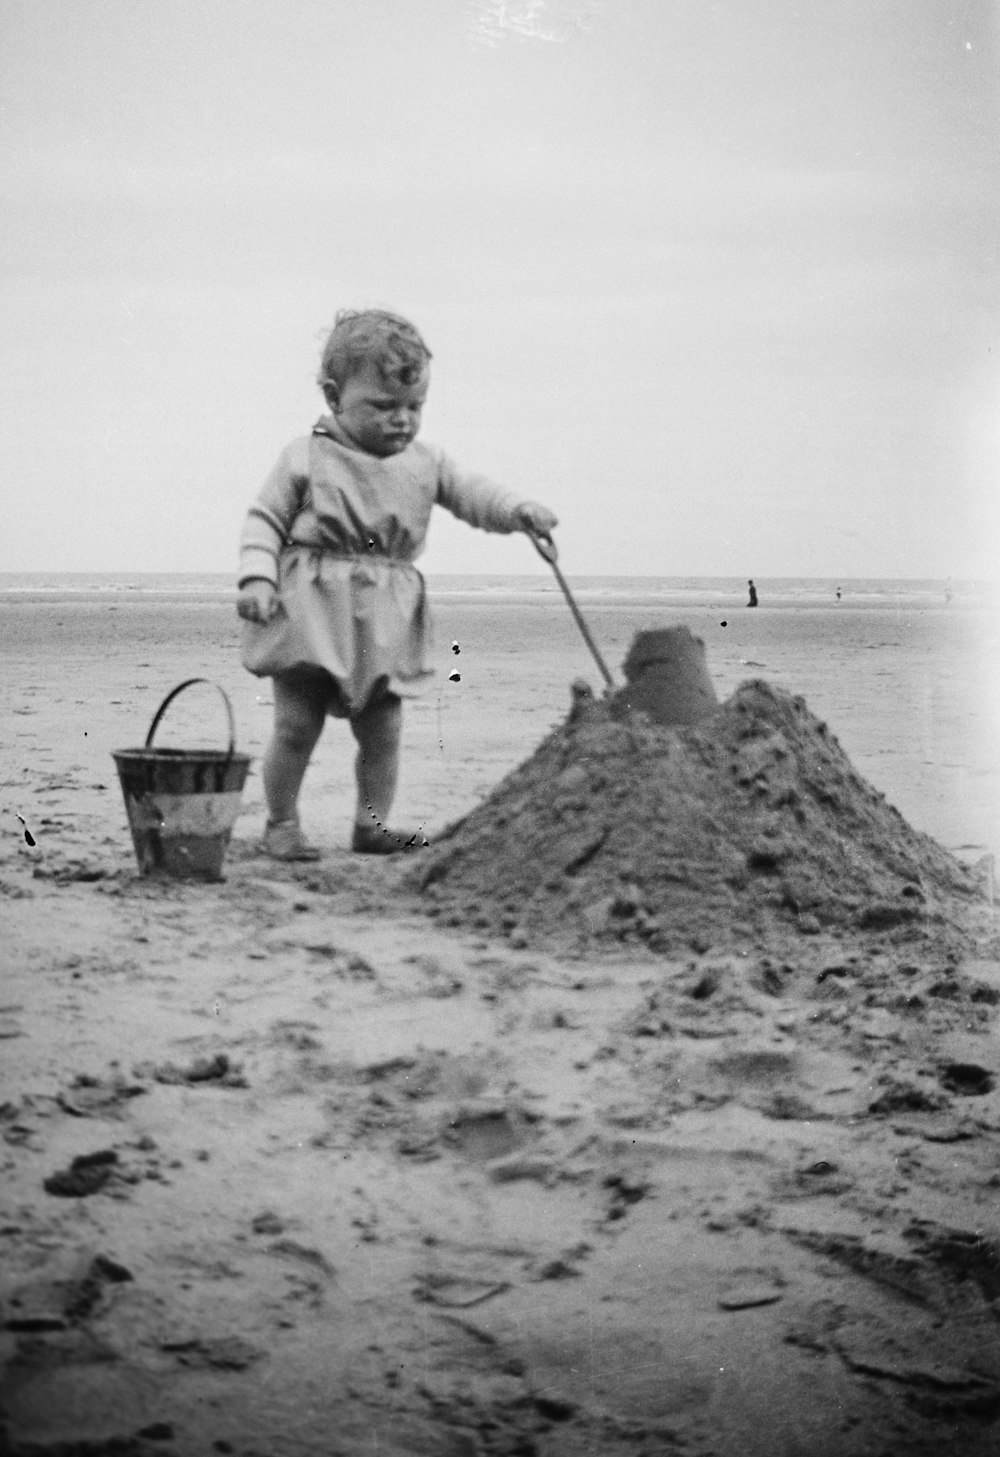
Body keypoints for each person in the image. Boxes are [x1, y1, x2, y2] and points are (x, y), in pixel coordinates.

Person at [236, 308, 558, 860]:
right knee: (295, 725)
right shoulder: (306, 455)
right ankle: (282, 822)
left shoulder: (425, 462)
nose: (402, 420)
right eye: (383, 406)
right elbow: (264, 520)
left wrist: (518, 510)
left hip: (386, 615)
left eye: (415, 407)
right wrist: (257, 579)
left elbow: (474, 495)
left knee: (383, 731)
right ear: (334, 396)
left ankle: (372, 823)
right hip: (311, 607)